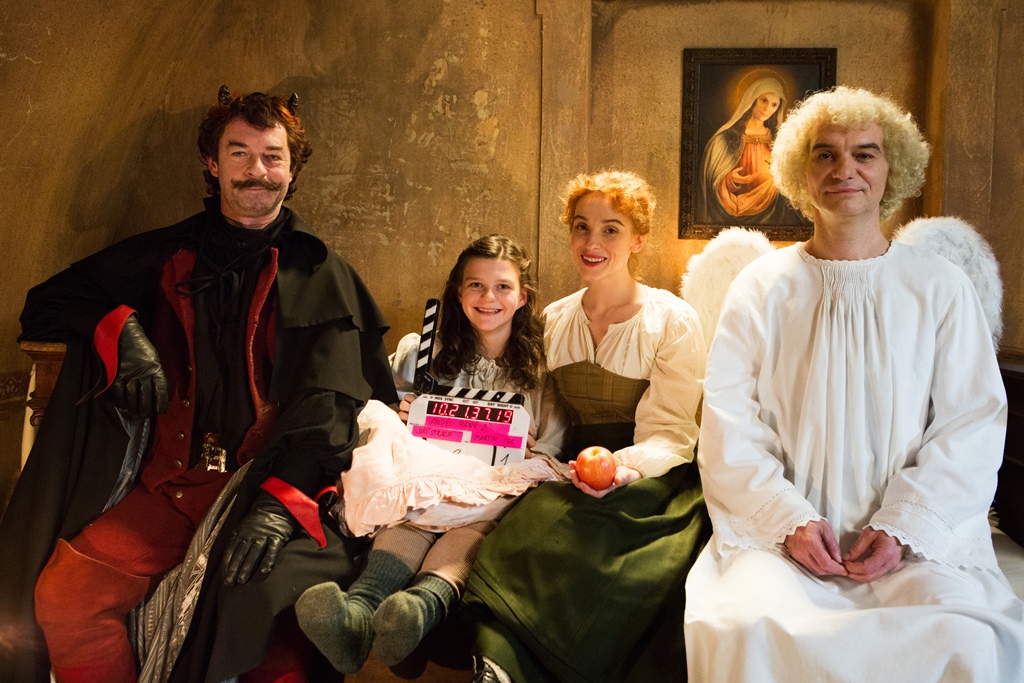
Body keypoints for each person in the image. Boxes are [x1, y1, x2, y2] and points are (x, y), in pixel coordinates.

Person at [0, 89, 397, 683]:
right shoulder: (169, 251)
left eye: (272, 156)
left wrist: (278, 506)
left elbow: (330, 409)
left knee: (271, 637)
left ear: (292, 169)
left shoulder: (323, 274)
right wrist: (120, 330)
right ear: (213, 163)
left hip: (266, 488)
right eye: (239, 153)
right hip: (172, 488)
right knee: (66, 595)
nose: (257, 170)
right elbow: (49, 302)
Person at [684, 86, 1024, 681]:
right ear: (800, 170)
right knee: (744, 626)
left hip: (913, 546)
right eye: (825, 154)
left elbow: (971, 421)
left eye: (865, 153)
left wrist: (904, 525)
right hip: (780, 544)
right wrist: (787, 520)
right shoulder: (760, 288)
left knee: (963, 634)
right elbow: (730, 421)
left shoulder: (941, 286)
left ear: (893, 169)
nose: (845, 170)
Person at [462, 171, 710, 682]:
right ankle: (499, 667)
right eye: (581, 227)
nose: (592, 243)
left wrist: (624, 469)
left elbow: (673, 429)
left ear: (638, 239)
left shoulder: (671, 320)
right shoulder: (552, 319)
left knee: (621, 562)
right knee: (520, 538)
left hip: (653, 476)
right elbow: (532, 402)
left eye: (611, 229)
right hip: (570, 465)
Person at [292, 234, 568, 673]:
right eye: (475, 285)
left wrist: (531, 445)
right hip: (423, 479)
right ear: (458, 293)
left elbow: (554, 441)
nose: (488, 297)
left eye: (502, 286)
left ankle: (419, 609)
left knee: (480, 517)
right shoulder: (423, 352)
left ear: (522, 297)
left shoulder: (537, 370)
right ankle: (357, 618)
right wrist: (399, 408)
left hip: (491, 487)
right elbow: (375, 399)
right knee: (411, 509)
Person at [698, 75, 805, 226]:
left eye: (774, 104)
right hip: (729, 204)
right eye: (764, 100)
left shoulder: (779, 140)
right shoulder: (725, 138)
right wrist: (730, 179)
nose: (767, 108)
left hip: (770, 207)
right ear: (752, 98)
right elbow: (710, 177)